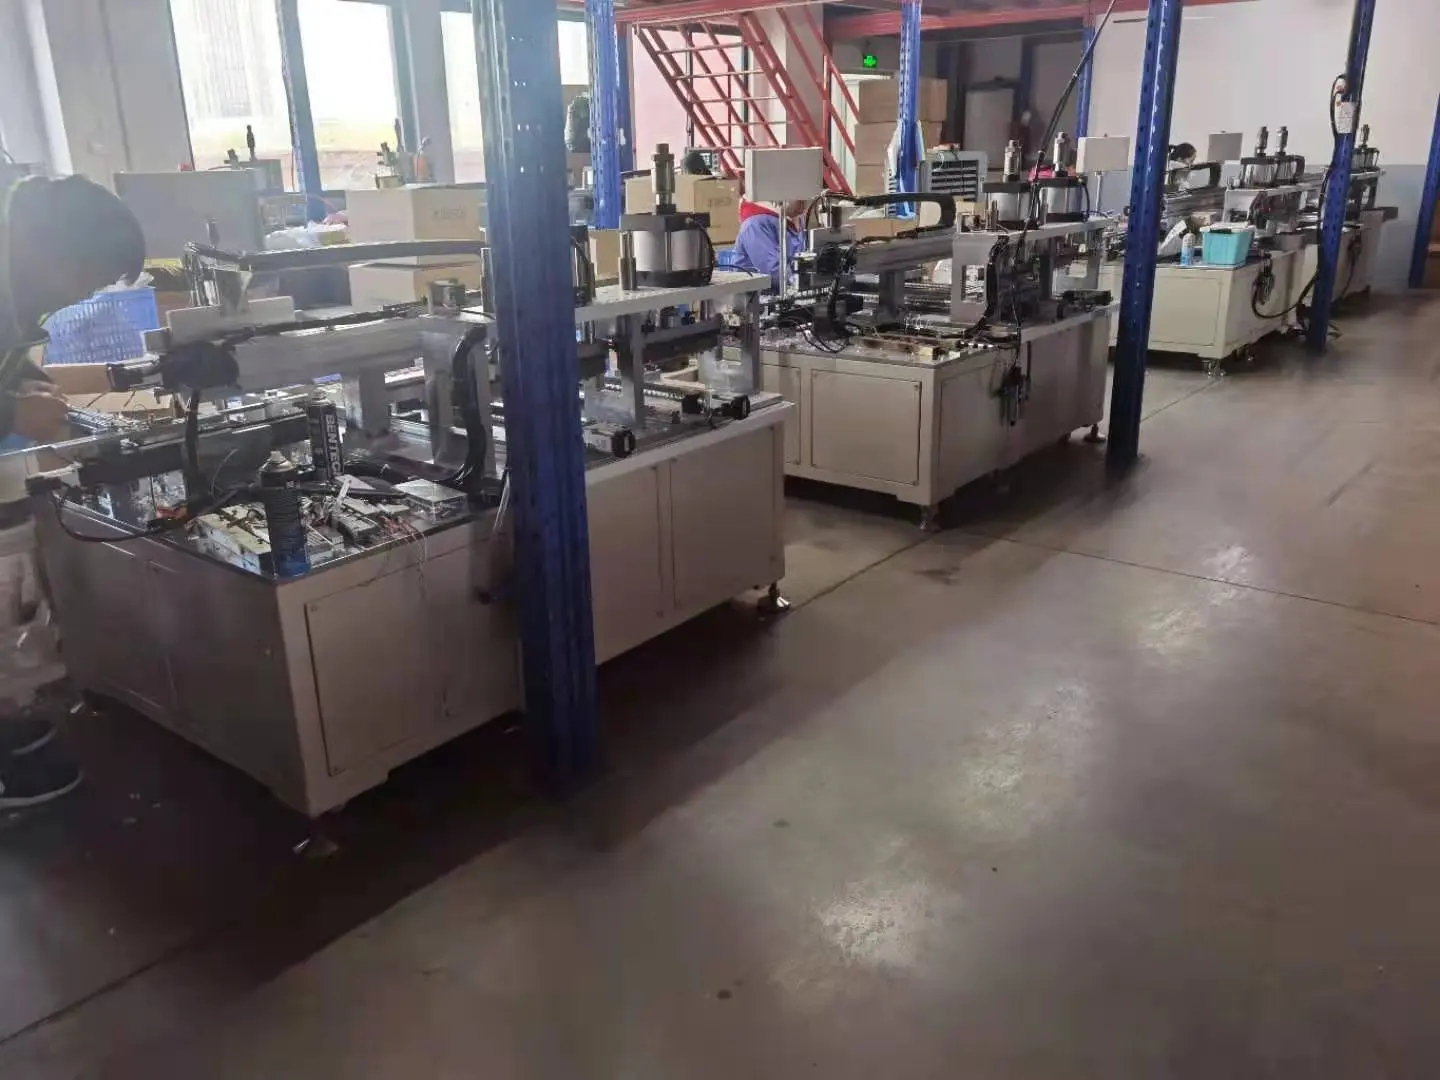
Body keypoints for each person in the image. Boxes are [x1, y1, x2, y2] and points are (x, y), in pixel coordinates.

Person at [0, 174, 145, 809]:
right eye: (88, 278)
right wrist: (10, 414)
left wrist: (22, 386)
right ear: (52, 249)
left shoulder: (19, 296)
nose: (81, 297)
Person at [731, 198, 806, 292]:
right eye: (800, 198)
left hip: (788, 293)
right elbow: (773, 272)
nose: (804, 205)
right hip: (757, 297)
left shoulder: (793, 218)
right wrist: (804, 283)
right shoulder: (755, 223)